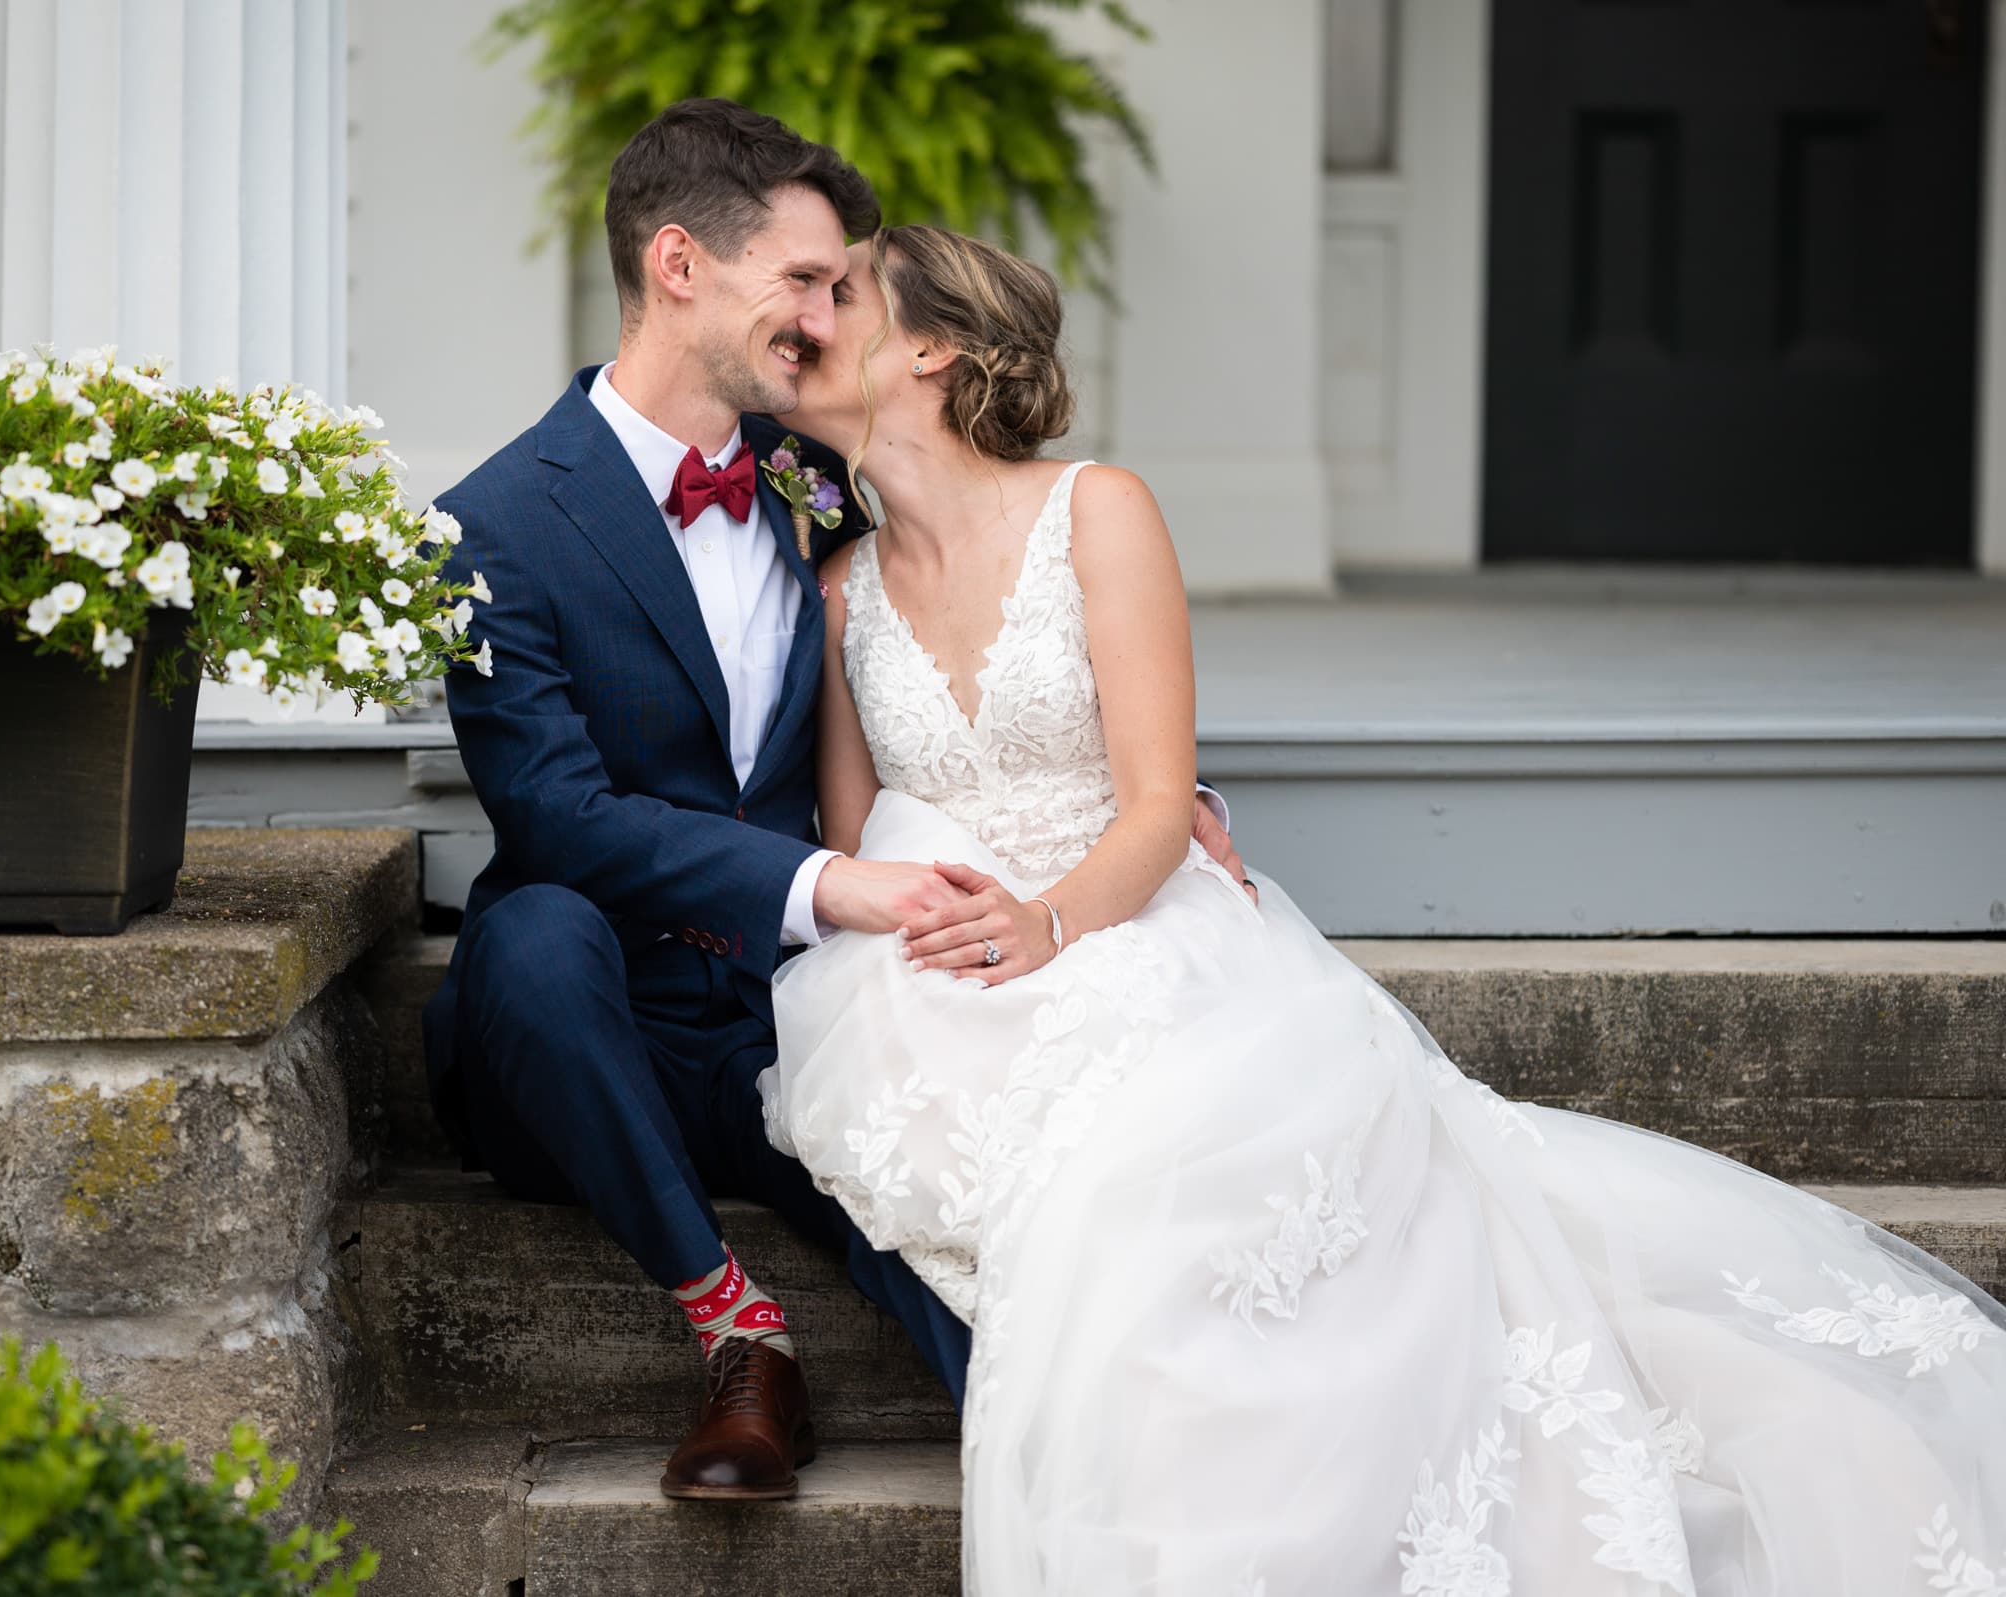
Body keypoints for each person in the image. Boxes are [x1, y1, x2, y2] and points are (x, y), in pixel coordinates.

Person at [756, 220, 2006, 1593]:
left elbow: (1160, 806)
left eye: (839, 294)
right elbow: (853, 836)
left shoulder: (1097, 509)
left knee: (1172, 1176)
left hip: (1127, 924)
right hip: (963, 967)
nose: (805, 317)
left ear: (929, 346)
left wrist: (1049, 921)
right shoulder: (837, 593)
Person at [423, 98, 1248, 1504]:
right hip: (582, 1022)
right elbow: (554, 812)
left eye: (838, 288)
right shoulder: (490, 523)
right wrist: (825, 886)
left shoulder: (817, 485)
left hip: (772, 1013)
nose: (822, 314)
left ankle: (1090, 1452)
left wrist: (1156, 796)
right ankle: (740, 1339)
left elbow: (975, 618)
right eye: (802, 279)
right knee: (539, 929)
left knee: (916, 1171)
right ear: (679, 265)